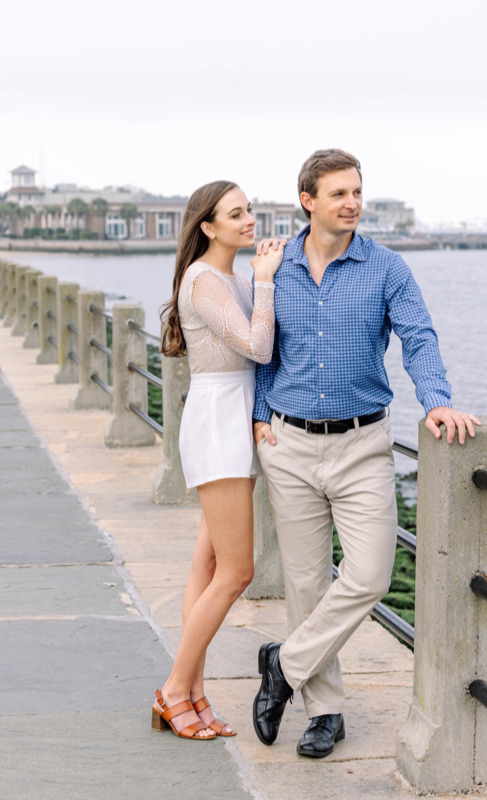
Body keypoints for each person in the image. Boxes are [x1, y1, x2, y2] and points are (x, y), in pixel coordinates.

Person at [250, 148, 480, 759]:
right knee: (303, 582)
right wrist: (257, 415)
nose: (352, 203)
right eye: (339, 194)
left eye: (357, 192)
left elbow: (419, 338)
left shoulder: (387, 268)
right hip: (289, 442)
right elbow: (262, 349)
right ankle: (323, 711)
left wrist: (436, 400)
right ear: (308, 201)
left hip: (361, 444)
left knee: (371, 573)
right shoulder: (275, 269)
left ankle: (284, 664)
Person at [153, 180, 286, 739]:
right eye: (236, 214)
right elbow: (257, 348)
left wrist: (253, 281)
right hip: (217, 421)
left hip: (230, 414)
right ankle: (174, 691)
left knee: (206, 566)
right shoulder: (208, 280)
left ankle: (194, 691)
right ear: (208, 226)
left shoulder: (223, 277)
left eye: (250, 209)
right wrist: (265, 282)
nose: (249, 220)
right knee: (237, 570)